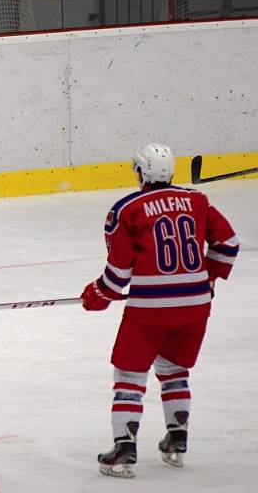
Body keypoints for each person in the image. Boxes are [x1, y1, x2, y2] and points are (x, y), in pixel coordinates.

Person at [81, 143, 239, 478]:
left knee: (129, 374)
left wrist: (99, 293)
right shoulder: (198, 201)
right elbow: (228, 244)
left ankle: (124, 447)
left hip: (150, 309)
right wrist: (205, 279)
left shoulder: (126, 209)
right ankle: (176, 439)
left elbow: (119, 272)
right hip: (196, 305)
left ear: (140, 171)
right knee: (174, 369)